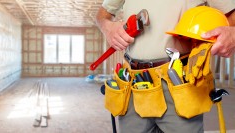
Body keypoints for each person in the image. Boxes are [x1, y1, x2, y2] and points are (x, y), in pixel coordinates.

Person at [96, 1, 235, 133]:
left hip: (180, 83)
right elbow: (102, 14)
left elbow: (231, 17)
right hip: (133, 84)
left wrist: (232, 34)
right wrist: (107, 27)